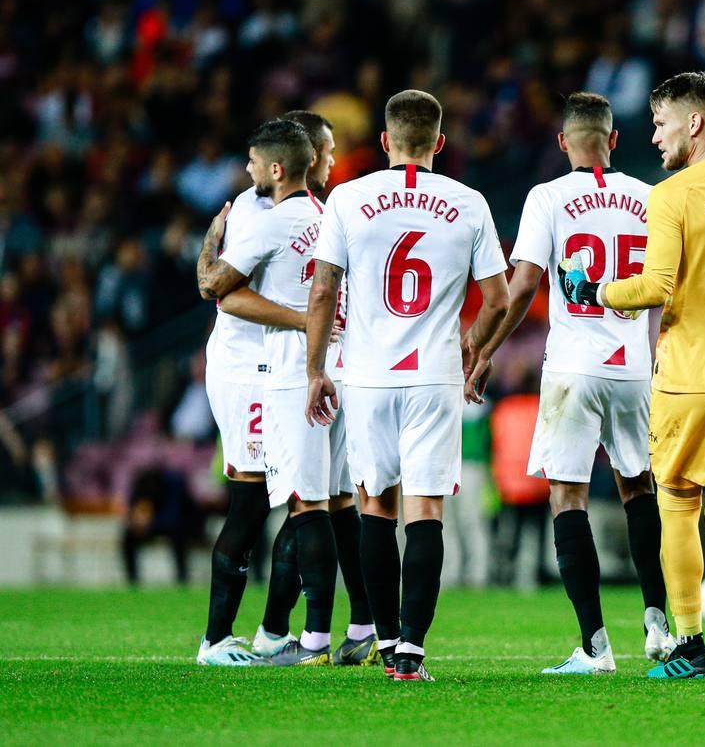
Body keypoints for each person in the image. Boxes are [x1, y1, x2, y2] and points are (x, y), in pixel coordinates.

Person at [558, 72, 705, 682]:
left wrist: (593, 288)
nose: (654, 138)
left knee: (680, 510)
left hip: (689, 376)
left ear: (694, 123)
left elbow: (656, 287)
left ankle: (689, 643)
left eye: (660, 125)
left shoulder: (673, 194)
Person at [305, 90, 509, 683]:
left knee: (375, 504)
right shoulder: (469, 202)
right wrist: (479, 345)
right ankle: (411, 651)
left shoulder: (347, 197)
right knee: (426, 510)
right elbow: (497, 298)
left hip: (367, 377)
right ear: (439, 144)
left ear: (385, 142)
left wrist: (317, 369)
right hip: (434, 375)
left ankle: (385, 634)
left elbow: (322, 290)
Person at [470, 92, 673, 674]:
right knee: (639, 489)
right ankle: (657, 623)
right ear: (614, 140)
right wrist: (655, 355)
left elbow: (523, 283)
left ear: (563, 143)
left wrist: (485, 349)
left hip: (574, 365)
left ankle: (594, 647)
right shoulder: (649, 197)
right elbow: (662, 287)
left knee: (568, 495)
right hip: (635, 364)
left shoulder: (548, 197)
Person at [198, 119, 347, 666]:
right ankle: (216, 639)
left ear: (278, 166)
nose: (247, 169)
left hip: (281, 368)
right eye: (327, 151)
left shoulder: (312, 214)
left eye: (253, 161)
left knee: (291, 501)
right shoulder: (254, 211)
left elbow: (218, 285)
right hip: (244, 367)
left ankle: (269, 634)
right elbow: (220, 294)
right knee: (255, 498)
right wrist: (307, 320)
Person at [249, 109, 378, 666]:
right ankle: (364, 625)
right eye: (325, 151)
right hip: (349, 364)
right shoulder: (332, 215)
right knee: (342, 501)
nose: (330, 159)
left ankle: (313, 640)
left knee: (309, 504)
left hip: (304, 370)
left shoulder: (277, 220)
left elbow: (218, 286)